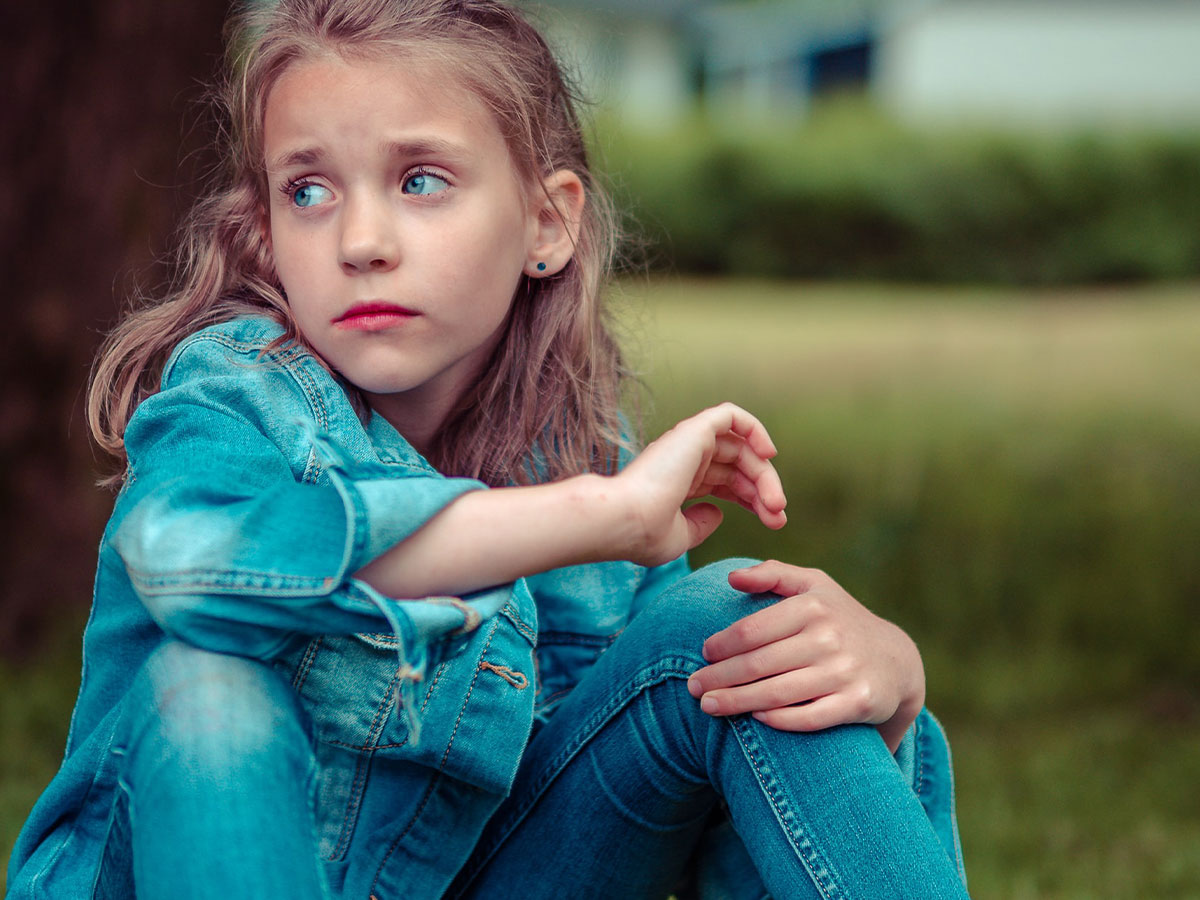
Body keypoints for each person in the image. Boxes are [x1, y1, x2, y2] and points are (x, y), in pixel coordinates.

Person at [6, 1, 969, 897]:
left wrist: (890, 689)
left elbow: (686, 791)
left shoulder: (577, 449)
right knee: (203, 690)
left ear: (547, 223)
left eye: (421, 180)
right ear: (263, 239)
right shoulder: (231, 395)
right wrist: (601, 518)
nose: (362, 239)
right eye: (308, 191)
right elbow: (190, 565)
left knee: (747, 637)